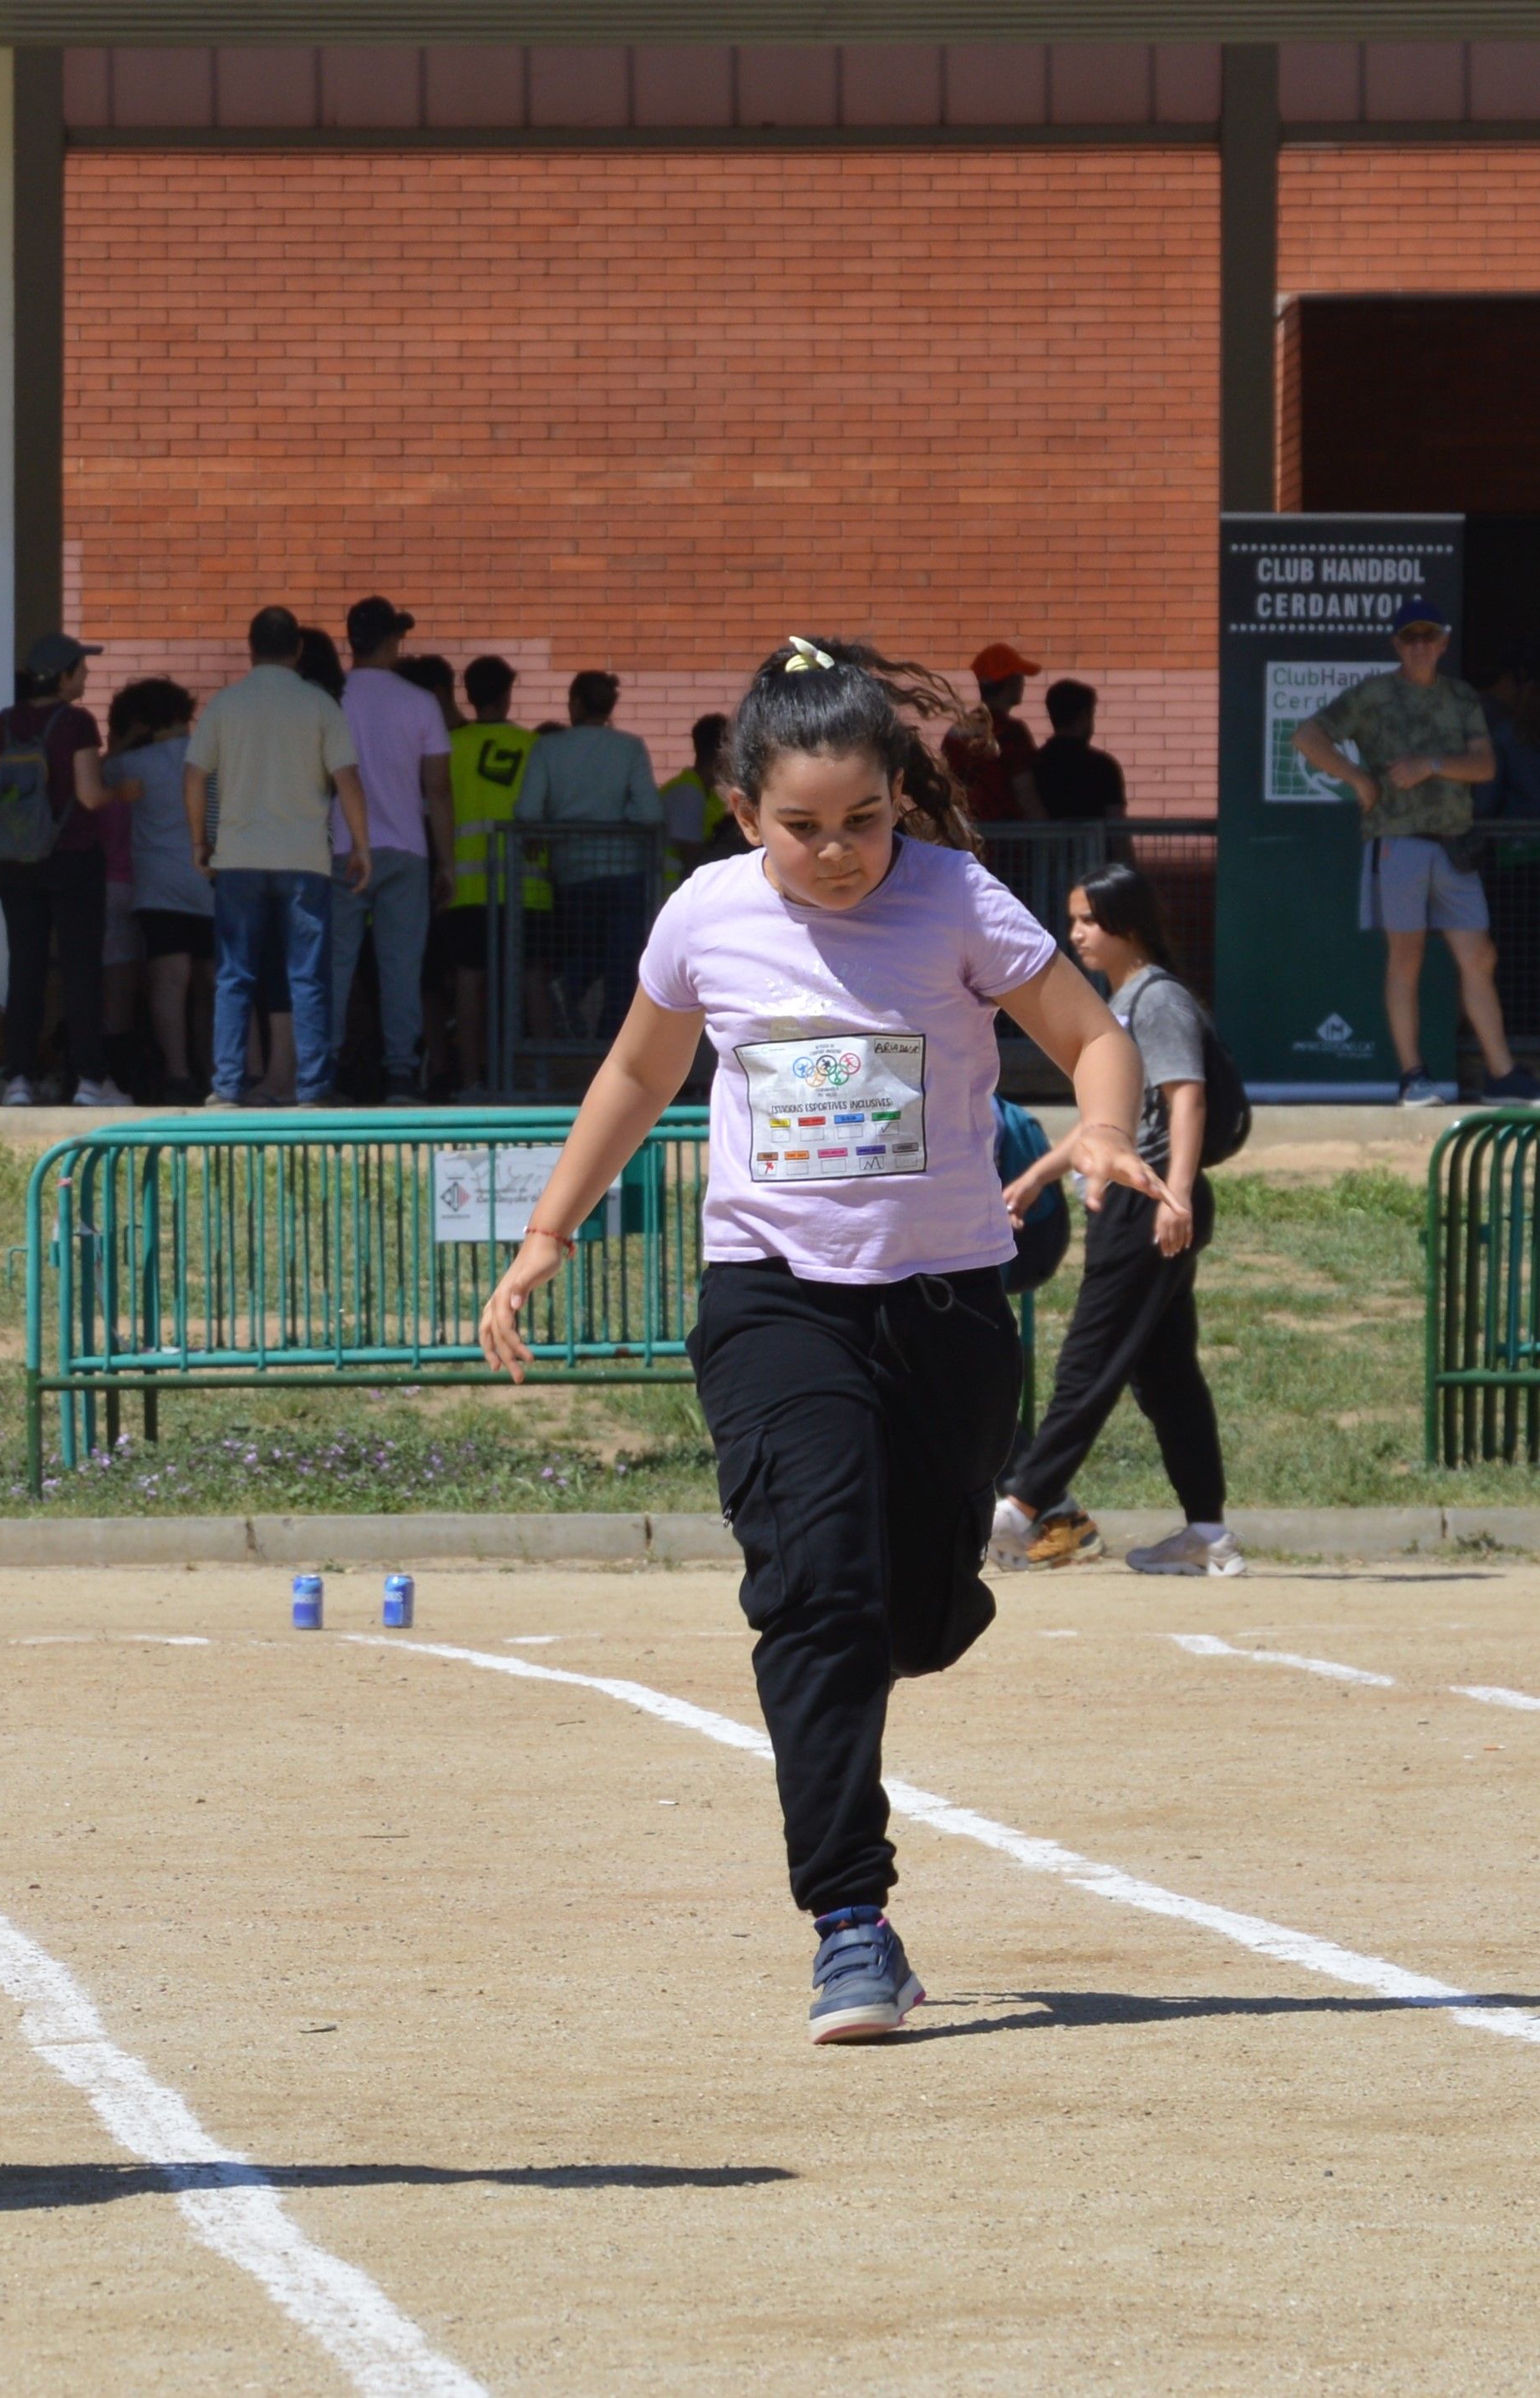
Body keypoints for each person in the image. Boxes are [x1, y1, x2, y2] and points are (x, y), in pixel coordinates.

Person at [476, 636, 1172, 2043]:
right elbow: (634, 1068)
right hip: (775, 1302)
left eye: (863, 820)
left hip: (948, 1310)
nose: (837, 852)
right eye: (800, 828)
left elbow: (1093, 1038)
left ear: (899, 801)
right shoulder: (704, 916)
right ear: (741, 810)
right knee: (816, 1598)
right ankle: (848, 1921)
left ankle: (921, 1607)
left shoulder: (957, 902)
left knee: (906, 1612)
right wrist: (550, 1227)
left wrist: (1102, 1124)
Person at [992, 861, 1238, 1578]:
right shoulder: (1123, 1002)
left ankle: (1022, 1509)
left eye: (1088, 921)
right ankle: (1207, 1535)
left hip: (1148, 1200)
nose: (1076, 935)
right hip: (1137, 1193)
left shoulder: (1154, 1000)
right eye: (1071, 920)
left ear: (1128, 926)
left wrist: (1178, 1195)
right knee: (1166, 1379)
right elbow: (1112, 1125)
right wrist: (1036, 1176)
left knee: (1089, 1358)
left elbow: (1183, 1099)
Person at [1292, 601, 1540, 1107]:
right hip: (1398, 844)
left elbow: (1484, 766)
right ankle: (1412, 1077)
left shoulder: (1461, 697)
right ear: (1398, 644)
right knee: (1406, 958)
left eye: (1428, 636)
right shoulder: (1374, 694)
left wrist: (1430, 764)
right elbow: (1307, 736)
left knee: (1479, 956)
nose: (1419, 645)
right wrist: (1357, 779)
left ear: (1443, 642)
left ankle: (1502, 1076)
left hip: (1453, 847)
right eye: (1409, 637)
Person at [186, 606, 371, 1106]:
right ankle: (311, 1088)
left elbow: (194, 776)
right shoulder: (319, 706)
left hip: (238, 858)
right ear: (297, 650)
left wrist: (200, 844)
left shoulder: (225, 706)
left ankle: (226, 1086)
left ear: (251, 648)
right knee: (307, 975)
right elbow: (347, 780)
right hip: (304, 861)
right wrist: (361, 846)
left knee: (234, 973)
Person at [0, 632, 130, 1106]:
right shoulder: (76, 724)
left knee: (24, 972)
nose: (86, 675)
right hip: (72, 860)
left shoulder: (6, 724)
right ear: (64, 676)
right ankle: (90, 1080)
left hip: (16, 864)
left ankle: (18, 1080)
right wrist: (122, 793)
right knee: (80, 971)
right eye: (81, 668)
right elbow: (91, 795)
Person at [328, 595, 450, 1105]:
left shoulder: (332, 700)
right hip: (405, 849)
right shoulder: (419, 702)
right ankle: (400, 1074)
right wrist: (446, 862)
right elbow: (438, 790)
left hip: (340, 847)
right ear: (393, 642)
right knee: (400, 967)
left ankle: (324, 1070)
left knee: (334, 964)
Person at [515, 670, 658, 1040]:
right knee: (622, 963)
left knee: (584, 948)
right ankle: (609, 1045)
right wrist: (619, 820)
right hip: (626, 868)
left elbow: (528, 811)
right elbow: (651, 814)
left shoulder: (549, 748)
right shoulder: (629, 748)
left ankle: (568, 992)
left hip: (573, 869)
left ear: (574, 703)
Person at [435, 655, 545, 1092]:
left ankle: (470, 1080)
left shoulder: (448, 747)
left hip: (465, 887)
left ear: (469, 695)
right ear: (507, 694)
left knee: (468, 981)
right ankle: (540, 1078)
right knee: (533, 977)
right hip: (527, 885)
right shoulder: (534, 746)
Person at [107, 677, 213, 1097]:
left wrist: (126, 740)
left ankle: (178, 1074)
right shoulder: (209, 757)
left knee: (170, 981)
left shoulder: (134, 764)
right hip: (209, 882)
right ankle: (215, 1072)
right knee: (213, 984)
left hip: (158, 887)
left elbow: (94, 776)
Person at [941, 643, 1043, 822]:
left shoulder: (956, 732)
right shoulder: (1011, 732)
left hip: (967, 839)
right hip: (1009, 843)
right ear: (1010, 682)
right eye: (1019, 677)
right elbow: (1026, 795)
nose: (1023, 683)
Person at [1028, 679, 1127, 824]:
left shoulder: (1033, 764)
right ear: (1084, 715)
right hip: (1093, 846)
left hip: (1046, 846)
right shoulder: (1103, 767)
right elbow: (1118, 831)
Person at [663, 713, 735, 868]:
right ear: (722, 755)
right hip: (670, 887)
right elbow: (693, 860)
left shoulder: (706, 794)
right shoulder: (687, 796)